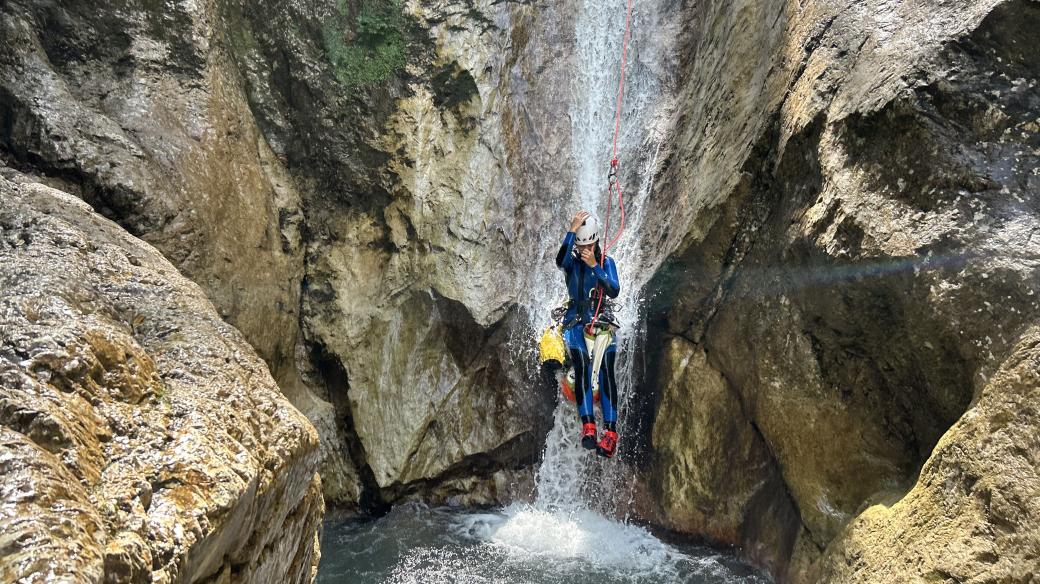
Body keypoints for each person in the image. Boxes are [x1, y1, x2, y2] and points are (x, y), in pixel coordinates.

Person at [555, 210, 621, 458]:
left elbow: (613, 290)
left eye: (589, 245)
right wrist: (572, 230)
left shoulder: (606, 262)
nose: (585, 250)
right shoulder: (571, 263)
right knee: (582, 365)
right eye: (581, 246)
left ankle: (611, 433)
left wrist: (595, 265)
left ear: (596, 243)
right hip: (575, 321)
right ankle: (589, 427)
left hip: (602, 321)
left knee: (606, 370)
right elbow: (560, 260)